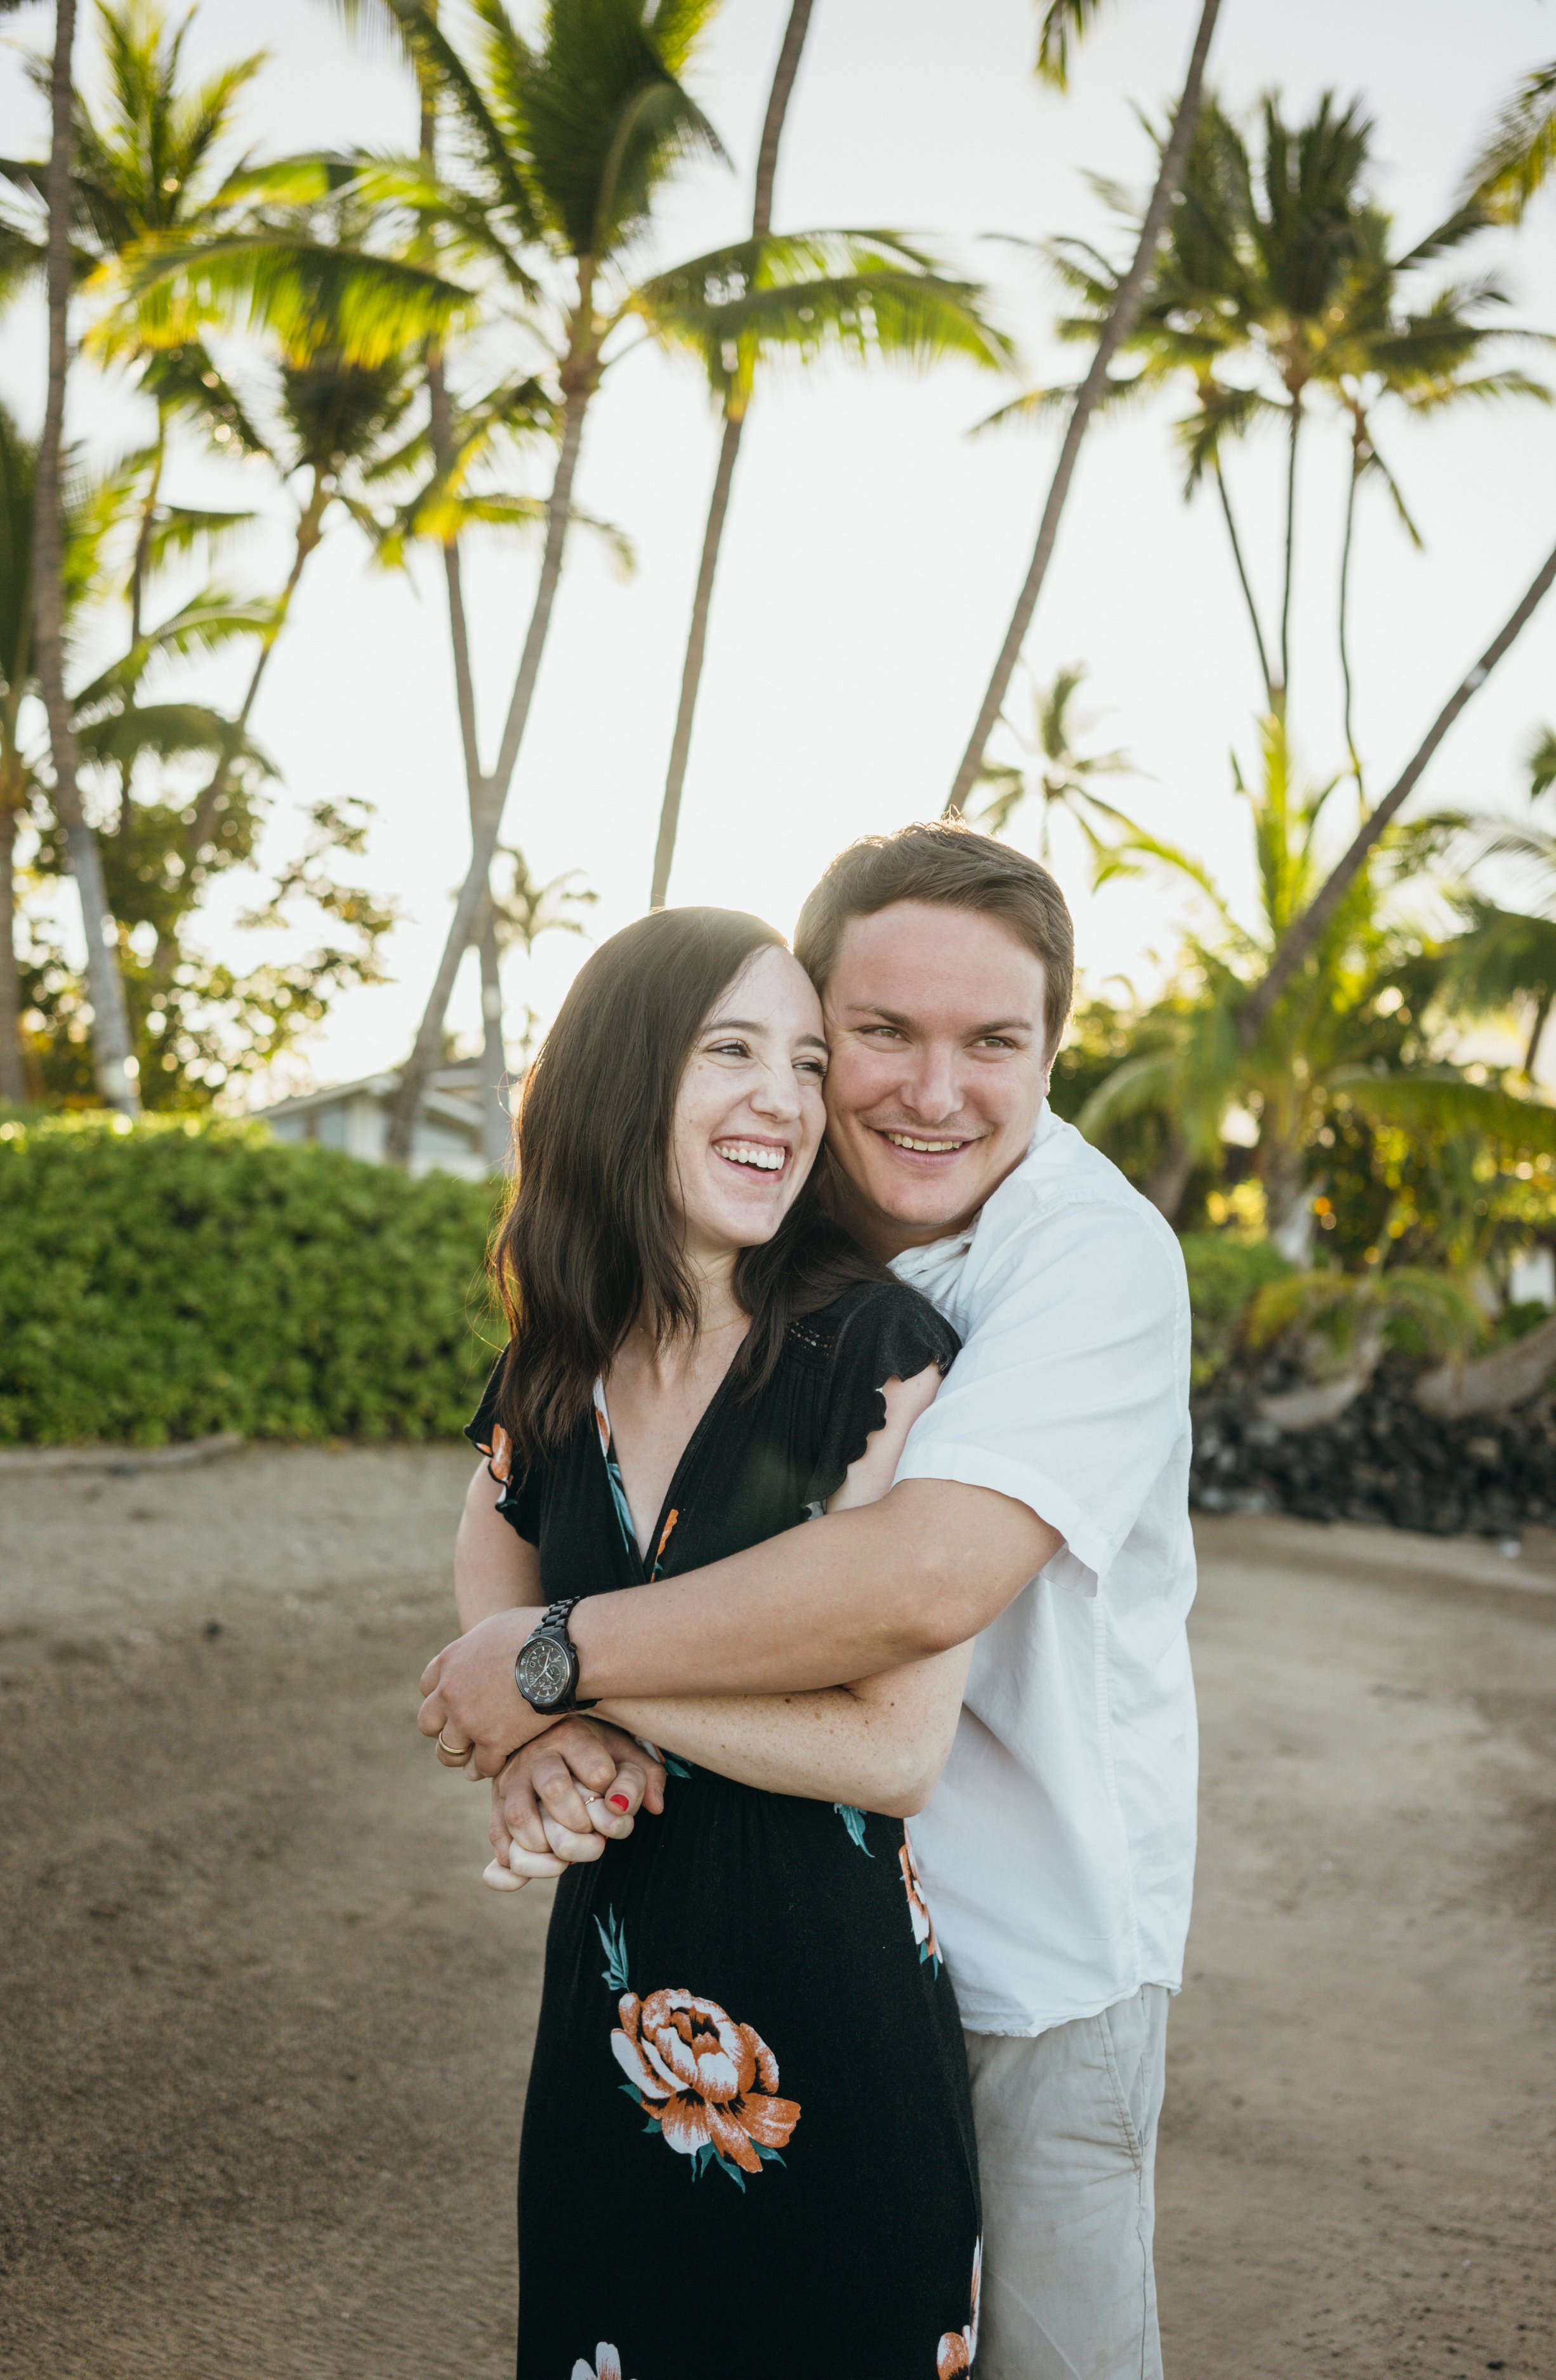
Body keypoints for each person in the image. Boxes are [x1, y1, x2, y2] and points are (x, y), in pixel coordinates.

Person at [423, 821, 1197, 2380]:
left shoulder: (1085, 1262)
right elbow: (516, 1511)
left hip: (1029, 1955)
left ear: (1053, 1053)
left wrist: (557, 1667)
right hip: (715, 1940)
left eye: (994, 1042)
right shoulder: (767, 1228)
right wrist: (528, 1733)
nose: (931, 1090)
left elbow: (914, 1582)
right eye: (878, 1035)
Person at [448, 903, 984, 2378]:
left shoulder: (879, 1353)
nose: (786, 1102)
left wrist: (565, 1673)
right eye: (730, 1051)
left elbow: (891, 1748)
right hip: (604, 2020)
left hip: (836, 2040)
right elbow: (487, 1571)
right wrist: (549, 1727)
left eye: (805, 1062)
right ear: (623, 1080)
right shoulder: (556, 1357)